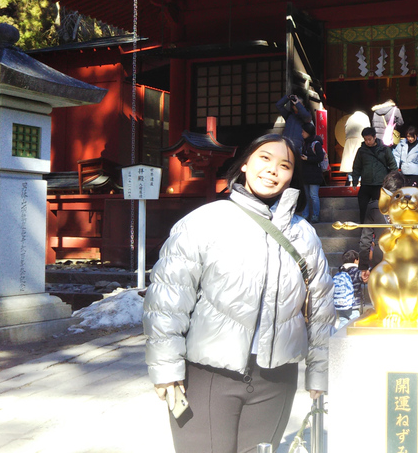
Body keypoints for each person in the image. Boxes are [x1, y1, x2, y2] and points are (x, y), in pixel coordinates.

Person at [143, 133, 335, 453]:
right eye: (264, 159)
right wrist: (166, 367)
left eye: (284, 165)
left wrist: (319, 372)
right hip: (207, 376)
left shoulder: (304, 235)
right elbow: (167, 300)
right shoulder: (205, 222)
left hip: (275, 379)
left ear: (291, 177)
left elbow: (321, 306)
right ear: (245, 164)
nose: (273, 170)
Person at [358, 171, 406, 284]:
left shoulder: (373, 206)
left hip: (381, 255)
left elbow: (365, 240)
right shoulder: (409, 207)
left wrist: (364, 266)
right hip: (404, 253)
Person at [351, 127, 398, 223]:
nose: (368, 142)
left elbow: (393, 165)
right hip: (366, 184)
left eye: (369, 139)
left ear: (375, 137)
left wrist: (393, 181)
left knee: (379, 209)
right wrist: (355, 181)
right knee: (363, 208)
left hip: (380, 184)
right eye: (365, 139)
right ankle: (364, 230)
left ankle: (379, 230)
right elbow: (357, 166)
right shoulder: (362, 151)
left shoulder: (384, 149)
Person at [300, 122, 325, 223]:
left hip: (314, 173)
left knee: (313, 195)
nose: (302, 133)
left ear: (308, 132)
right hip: (305, 173)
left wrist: (308, 158)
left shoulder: (316, 143)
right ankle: (305, 215)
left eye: (303, 131)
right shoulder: (304, 143)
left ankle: (315, 215)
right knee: (306, 196)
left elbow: (320, 157)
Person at [339, 111, 372, 185]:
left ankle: (351, 181)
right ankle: (359, 181)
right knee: (360, 162)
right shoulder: (364, 118)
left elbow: (345, 129)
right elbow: (367, 130)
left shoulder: (350, 119)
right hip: (360, 140)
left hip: (349, 141)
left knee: (350, 163)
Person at [333, 250, 362, 328]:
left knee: (343, 321)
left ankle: (338, 338)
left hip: (341, 303)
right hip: (353, 304)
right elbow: (363, 278)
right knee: (355, 323)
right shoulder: (356, 271)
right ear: (355, 260)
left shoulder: (340, 271)